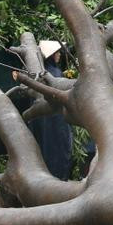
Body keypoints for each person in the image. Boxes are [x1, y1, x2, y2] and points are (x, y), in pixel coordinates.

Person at [28, 40, 73, 180]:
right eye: (57, 53)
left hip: (41, 122)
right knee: (58, 152)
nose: (59, 55)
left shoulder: (37, 75)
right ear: (52, 55)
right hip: (56, 123)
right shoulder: (55, 74)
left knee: (43, 150)